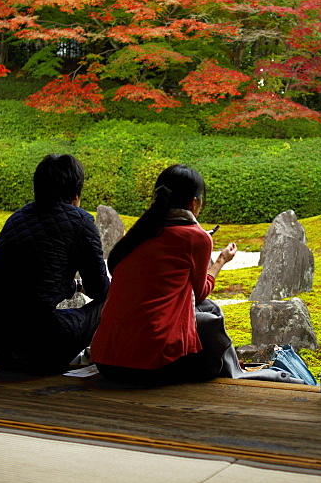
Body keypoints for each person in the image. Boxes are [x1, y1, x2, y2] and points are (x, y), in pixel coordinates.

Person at [90, 164, 241, 385]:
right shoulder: (197, 237)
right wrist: (220, 261)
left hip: (106, 361)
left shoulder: (137, 235)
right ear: (194, 202)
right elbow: (200, 294)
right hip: (152, 366)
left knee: (203, 311)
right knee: (211, 315)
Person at [0, 154, 109, 374]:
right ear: (76, 193)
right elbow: (99, 289)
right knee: (108, 303)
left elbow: (33, 282)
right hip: (37, 350)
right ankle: (111, 361)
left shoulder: (16, 218)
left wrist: (75, 286)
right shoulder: (80, 222)